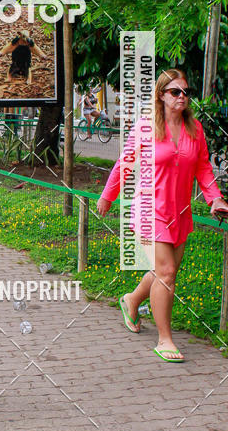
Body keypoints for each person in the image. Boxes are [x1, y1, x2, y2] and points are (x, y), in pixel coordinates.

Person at [97, 69, 228, 362]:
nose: (182, 96)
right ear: (161, 95)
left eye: (185, 92)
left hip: (180, 212)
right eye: (175, 92)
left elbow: (204, 169)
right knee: (167, 273)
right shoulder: (146, 127)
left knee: (163, 273)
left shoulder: (195, 129)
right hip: (150, 210)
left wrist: (215, 198)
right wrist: (108, 196)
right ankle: (165, 339)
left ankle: (131, 300)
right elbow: (124, 164)